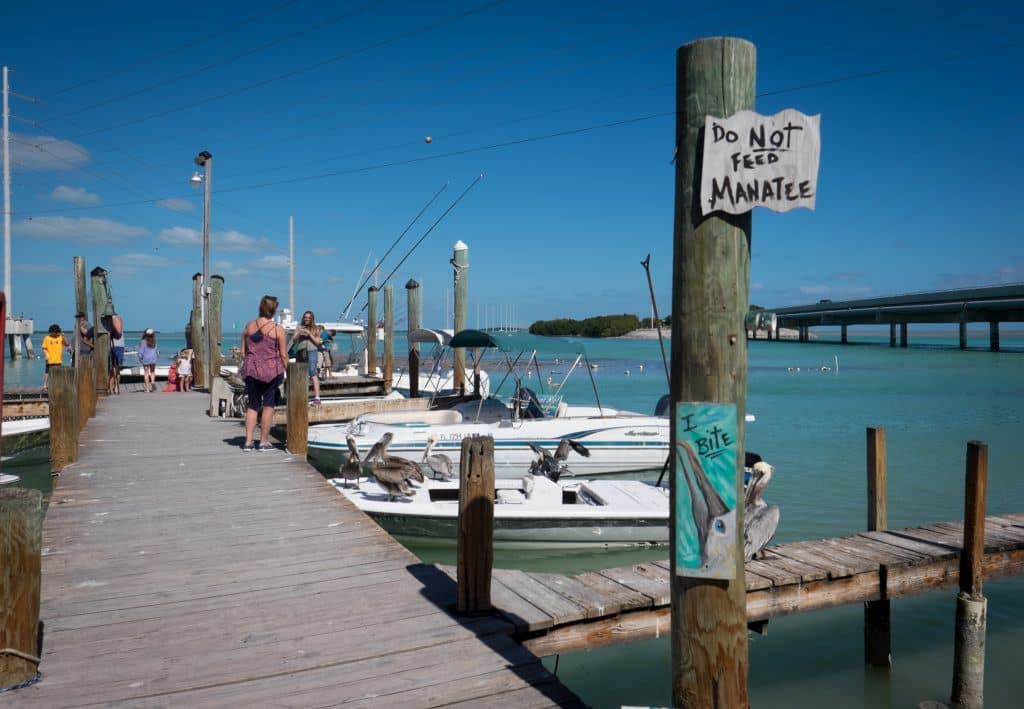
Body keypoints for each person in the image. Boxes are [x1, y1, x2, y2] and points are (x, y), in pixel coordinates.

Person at [240, 295, 288, 451]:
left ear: (260, 307)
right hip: (271, 372)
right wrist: (288, 370)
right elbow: (283, 355)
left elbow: (243, 352)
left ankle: (248, 442)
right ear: (274, 310)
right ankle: (263, 441)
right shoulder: (278, 329)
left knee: (252, 406)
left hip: (251, 371)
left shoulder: (249, 326)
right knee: (268, 406)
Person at [288, 310, 323, 406]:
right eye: (305, 317)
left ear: (312, 319)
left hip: (312, 351)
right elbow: (294, 340)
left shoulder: (317, 328)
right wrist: (299, 332)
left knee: (312, 372)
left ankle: (317, 398)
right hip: (300, 351)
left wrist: (309, 333)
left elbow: (317, 342)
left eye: (309, 318)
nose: (306, 319)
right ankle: (301, 397)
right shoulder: (299, 327)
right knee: (300, 374)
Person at [41, 323, 71, 390]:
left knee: (58, 373)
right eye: (53, 332)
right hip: (49, 360)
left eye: (56, 332)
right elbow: (44, 348)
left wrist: (64, 337)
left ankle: (58, 385)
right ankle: (45, 385)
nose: (55, 334)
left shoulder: (60, 337)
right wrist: (46, 354)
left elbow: (67, 344)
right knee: (47, 372)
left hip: (58, 359)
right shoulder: (47, 338)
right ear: (51, 331)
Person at [104, 311, 125, 394]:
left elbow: (118, 333)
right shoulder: (108, 319)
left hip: (117, 346)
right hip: (111, 346)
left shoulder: (116, 318)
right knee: (111, 369)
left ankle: (115, 387)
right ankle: (111, 387)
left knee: (115, 368)